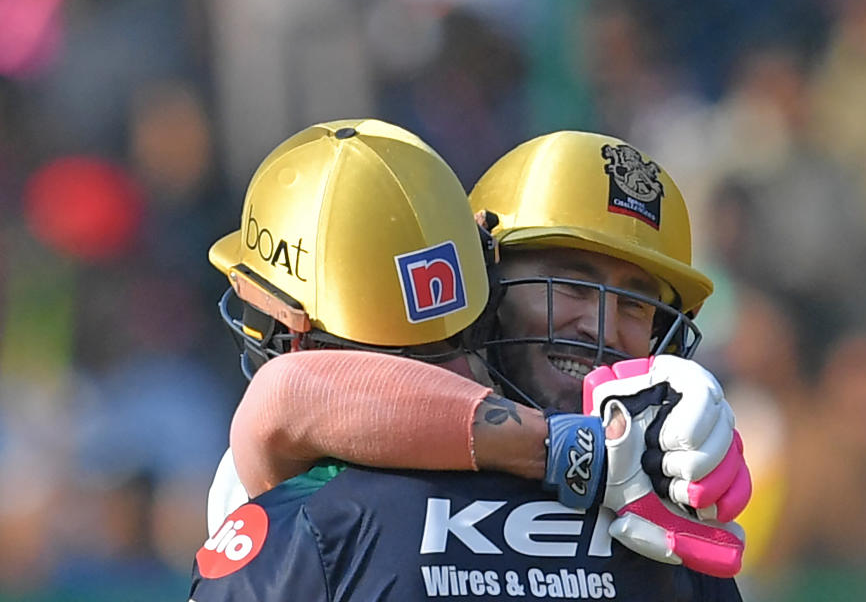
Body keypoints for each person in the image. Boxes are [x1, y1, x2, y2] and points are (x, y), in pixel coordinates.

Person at [190, 121, 745, 600]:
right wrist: (583, 450)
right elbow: (293, 396)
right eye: (569, 288)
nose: (601, 330)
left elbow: (286, 397)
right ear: (484, 284)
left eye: (634, 305)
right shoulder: (670, 533)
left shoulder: (302, 518)